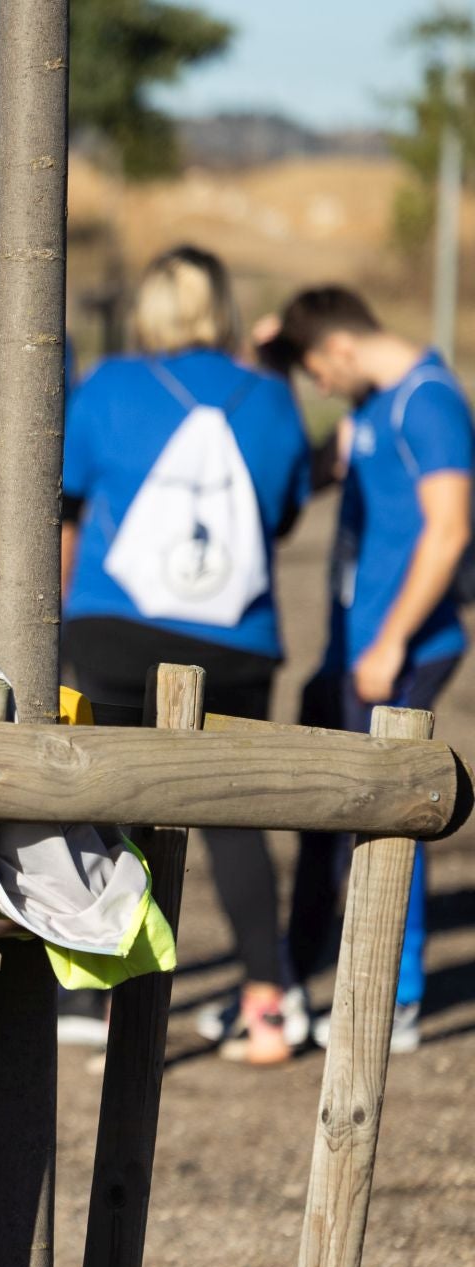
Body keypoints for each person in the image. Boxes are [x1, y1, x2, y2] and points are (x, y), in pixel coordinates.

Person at [61, 247, 312, 1064]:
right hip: (234, 637)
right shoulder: (272, 399)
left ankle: (109, 1005)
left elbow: (64, 500)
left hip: (114, 626)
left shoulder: (108, 386)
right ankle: (268, 1002)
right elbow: (279, 517)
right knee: (232, 819)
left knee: (116, 811)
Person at [258, 286, 473, 1055]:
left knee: (387, 816)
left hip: (402, 653)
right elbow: (307, 471)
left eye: (316, 370)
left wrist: (389, 643)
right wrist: (267, 358)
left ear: (341, 350)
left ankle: (398, 994)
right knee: (324, 824)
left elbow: (448, 532)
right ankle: (291, 986)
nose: (319, 386)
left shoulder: (429, 404)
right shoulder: (374, 408)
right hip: (350, 653)